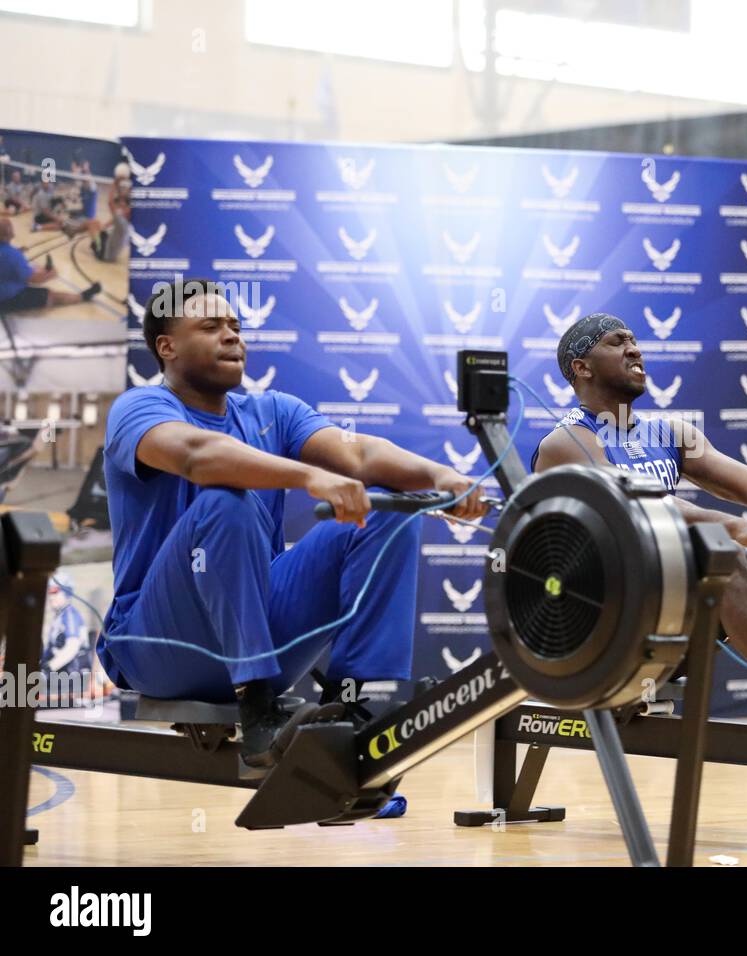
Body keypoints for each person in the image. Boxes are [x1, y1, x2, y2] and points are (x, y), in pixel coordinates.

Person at [98, 277, 487, 773]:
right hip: (159, 644)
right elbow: (198, 456)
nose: (232, 336)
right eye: (211, 326)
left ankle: (353, 706)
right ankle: (257, 708)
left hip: (254, 630)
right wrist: (311, 477)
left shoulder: (272, 411)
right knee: (227, 501)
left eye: (236, 326)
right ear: (167, 347)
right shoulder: (140, 407)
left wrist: (442, 476)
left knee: (386, 512)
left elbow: (358, 452)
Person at [531, 312, 747, 783]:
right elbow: (643, 505)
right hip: (600, 629)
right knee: (726, 552)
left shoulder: (668, 434)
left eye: (636, 341)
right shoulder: (566, 443)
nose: (635, 349)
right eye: (618, 343)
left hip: (663, 616)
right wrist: (740, 529)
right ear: (582, 367)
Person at [0, 217, 100, 313]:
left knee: (32, 268)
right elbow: (35, 280)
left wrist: (17, 251)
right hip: (6, 298)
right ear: (10, 234)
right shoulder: (13, 255)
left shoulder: (11, 253)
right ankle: (83, 296)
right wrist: (52, 274)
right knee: (50, 296)